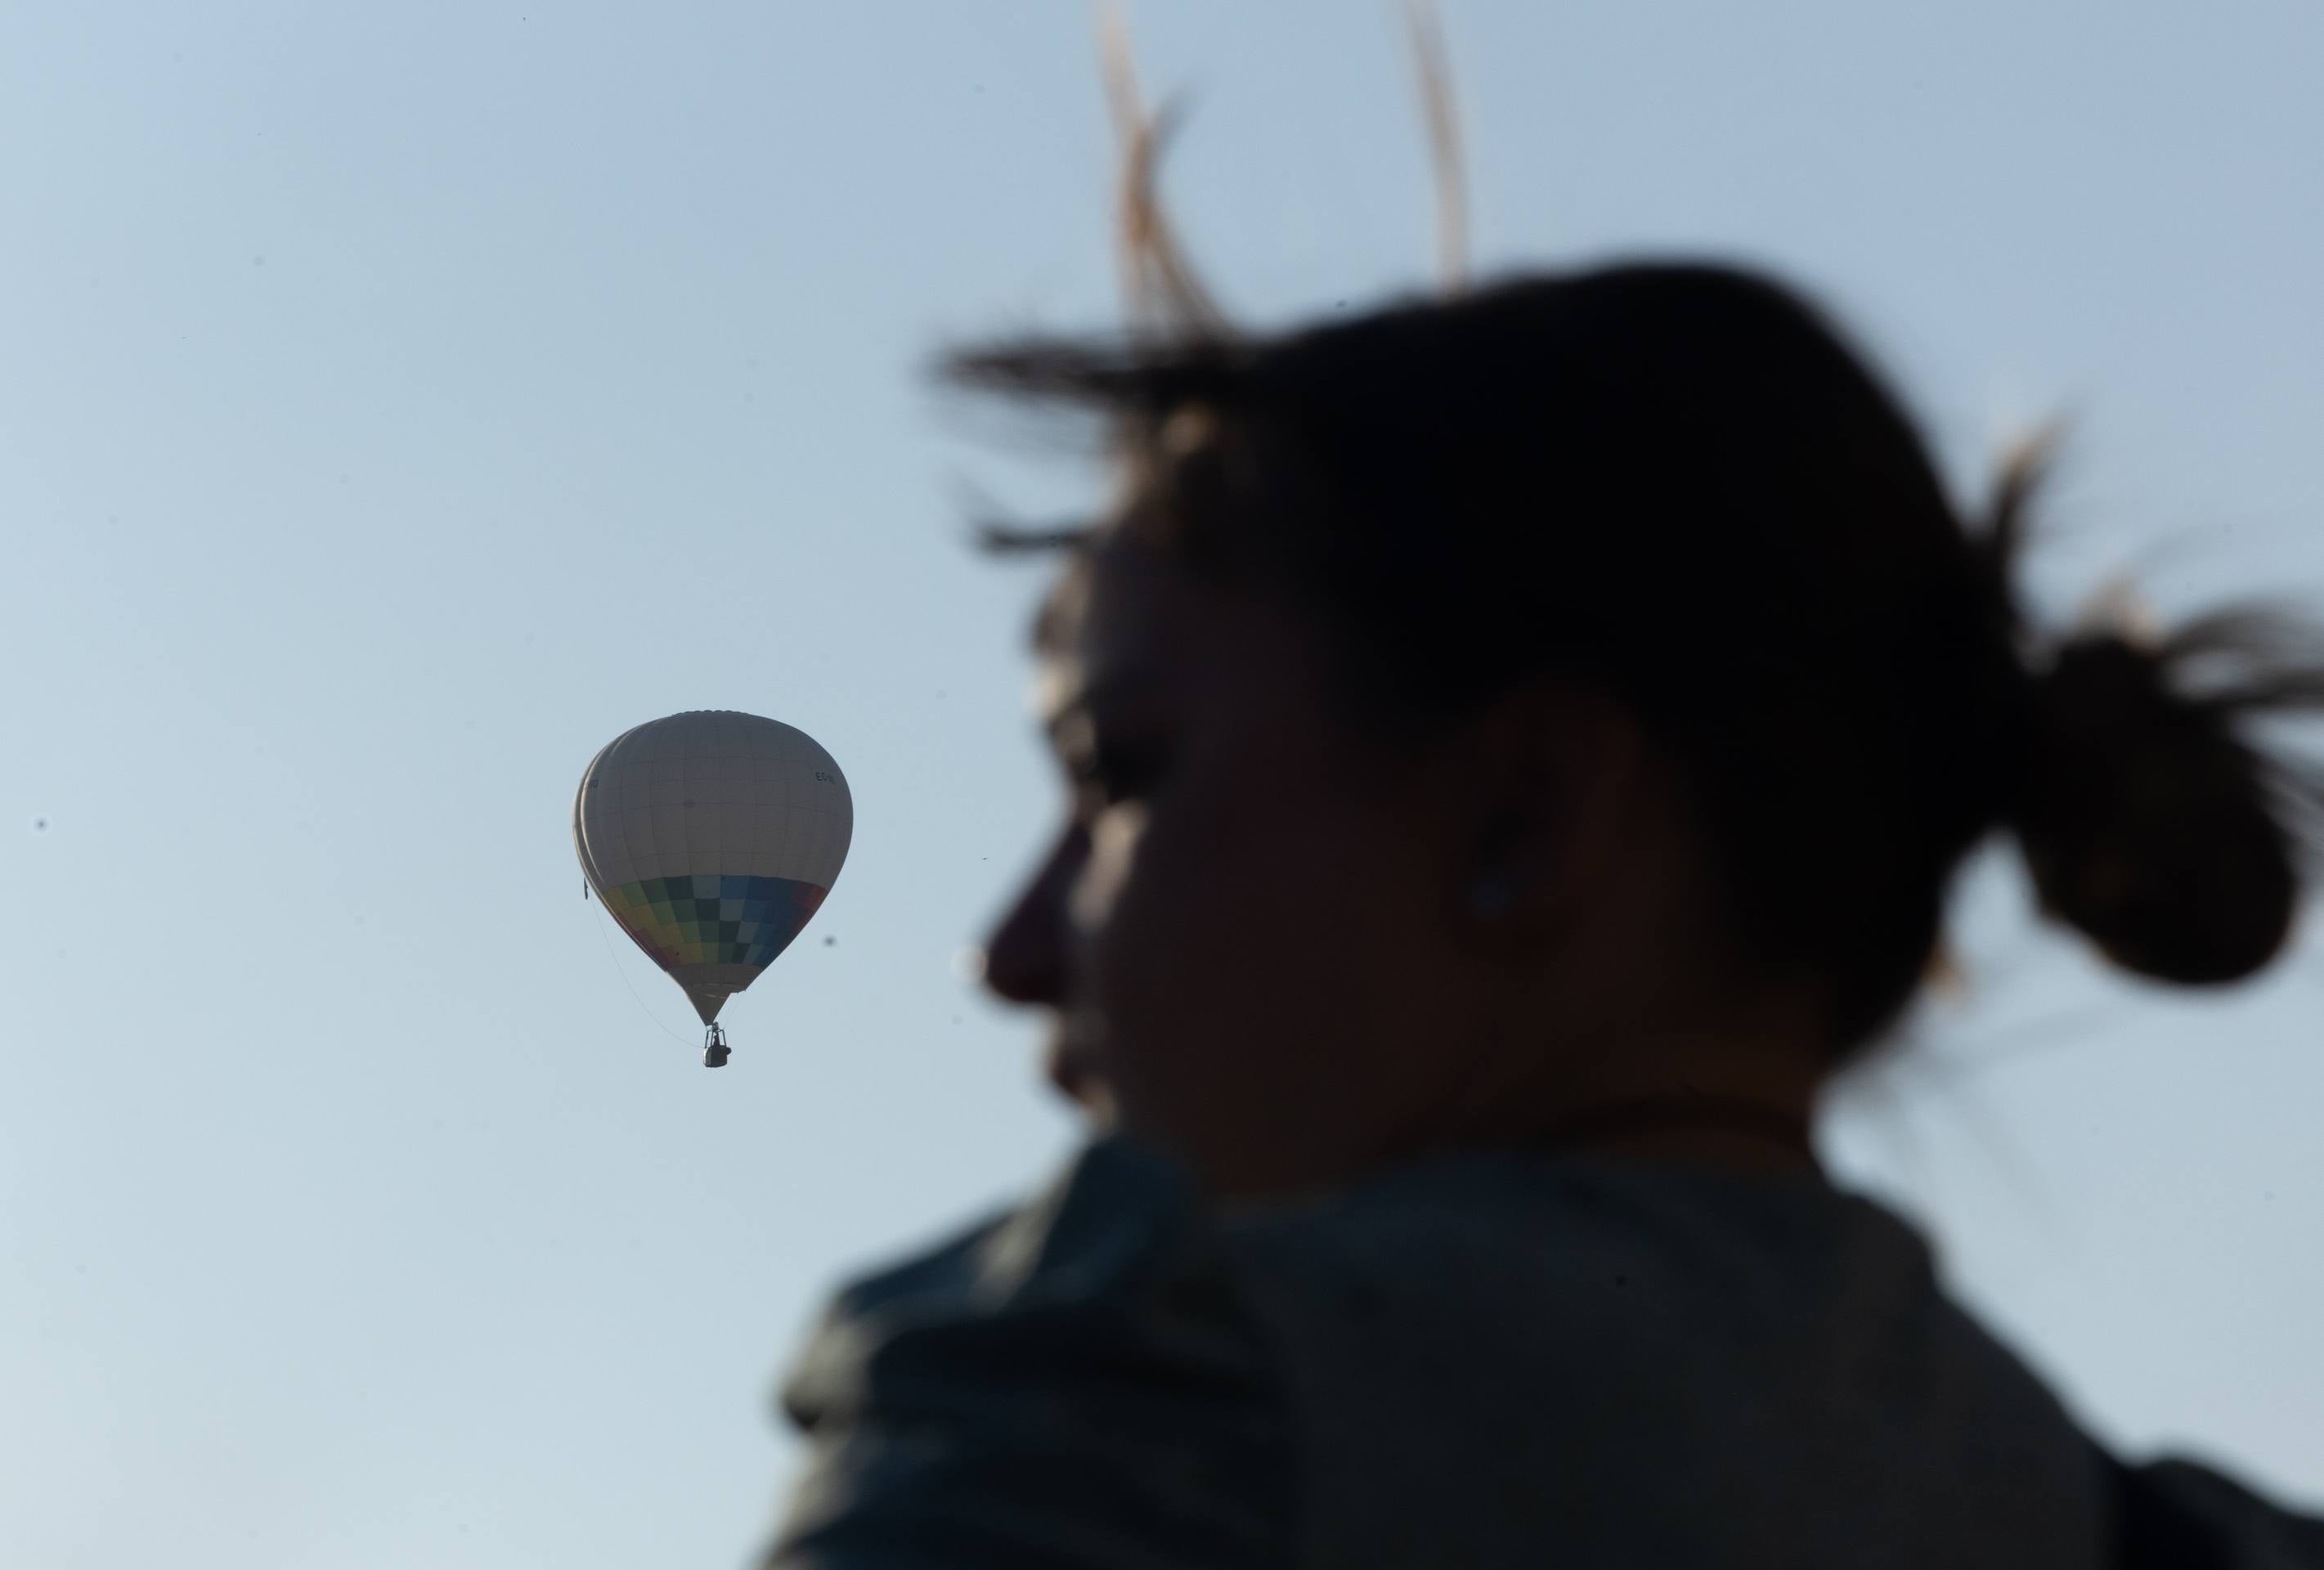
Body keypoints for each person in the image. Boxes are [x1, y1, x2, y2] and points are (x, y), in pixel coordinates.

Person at [760, 161, 2324, 1568]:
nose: (1014, 949)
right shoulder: (2189, 1548)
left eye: (1123, 774)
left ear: (1530, 814)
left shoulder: (1113, 1424)